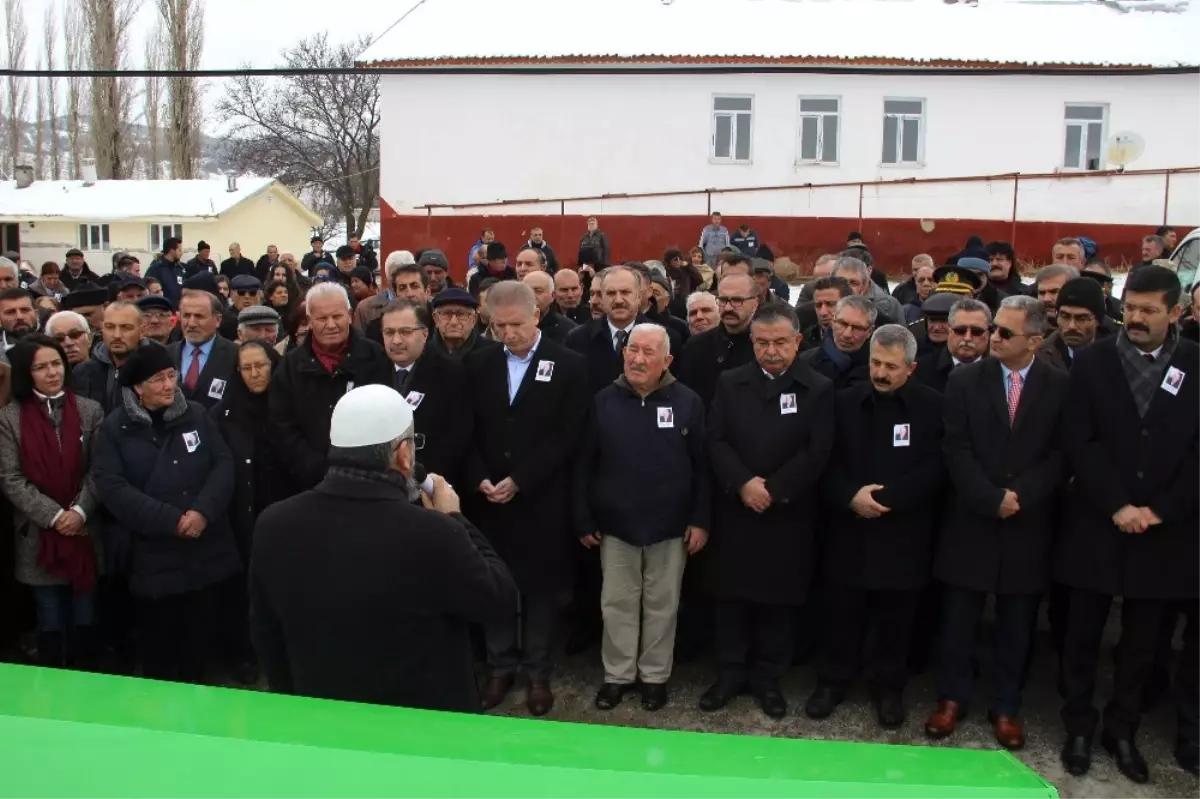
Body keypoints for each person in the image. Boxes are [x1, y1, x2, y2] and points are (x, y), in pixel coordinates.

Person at [251, 383, 516, 710]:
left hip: (322, 716)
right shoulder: (434, 533)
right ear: (404, 454)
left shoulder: (274, 524)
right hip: (423, 726)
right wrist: (455, 517)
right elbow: (500, 599)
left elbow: (267, 634)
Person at [1056, 265, 1200, 783]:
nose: (1135, 318)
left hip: (1164, 532)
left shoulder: (1196, 365)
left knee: (1143, 643)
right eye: (1131, 308)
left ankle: (1123, 729)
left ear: (1175, 312)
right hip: (1098, 523)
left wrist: (1159, 509)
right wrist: (1116, 503)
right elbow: (1081, 439)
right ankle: (1077, 724)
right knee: (1081, 636)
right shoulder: (1093, 363)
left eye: (1148, 310)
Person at [925, 296, 1068, 751]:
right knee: (958, 619)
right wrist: (990, 498)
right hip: (972, 518)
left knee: (1016, 622)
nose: (993, 339)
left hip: (1027, 523)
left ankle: (1005, 705)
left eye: (1005, 333)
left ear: (1035, 340)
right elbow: (955, 448)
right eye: (994, 330)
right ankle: (951, 698)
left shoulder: (1059, 386)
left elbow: (1061, 454)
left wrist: (1021, 496)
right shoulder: (965, 382)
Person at [699, 303, 833, 719]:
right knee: (731, 598)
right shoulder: (730, 381)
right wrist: (743, 484)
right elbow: (715, 440)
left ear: (797, 341)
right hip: (737, 509)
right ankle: (730, 673)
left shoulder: (818, 387)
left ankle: (768, 678)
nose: (771, 351)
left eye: (779, 342)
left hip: (786, 513)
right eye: (762, 343)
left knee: (779, 601)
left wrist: (773, 490)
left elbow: (817, 452)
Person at [806, 325, 944, 729]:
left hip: (904, 531)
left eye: (891, 366)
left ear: (911, 367)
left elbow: (937, 466)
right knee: (841, 613)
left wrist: (889, 500)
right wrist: (850, 496)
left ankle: (888, 688)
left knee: (896, 619)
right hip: (849, 526)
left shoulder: (933, 407)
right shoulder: (843, 402)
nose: (881, 373)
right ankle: (833, 680)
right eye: (876, 363)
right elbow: (823, 459)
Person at [465, 282, 589, 716]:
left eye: (516, 324)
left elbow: (567, 434)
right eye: (499, 326)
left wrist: (520, 479)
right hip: (489, 500)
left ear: (537, 315)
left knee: (540, 590)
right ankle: (500, 667)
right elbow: (469, 427)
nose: (509, 334)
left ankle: (537, 672)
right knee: (495, 585)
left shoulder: (569, 364)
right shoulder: (477, 361)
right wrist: (480, 475)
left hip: (541, 497)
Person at [577, 323, 708, 712]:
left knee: (662, 604)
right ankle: (617, 675)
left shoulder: (688, 402)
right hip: (615, 527)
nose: (637, 358)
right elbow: (584, 464)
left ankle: (654, 677)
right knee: (616, 602)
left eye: (648, 352)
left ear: (667, 360)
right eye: (633, 349)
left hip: (670, 526)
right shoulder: (603, 401)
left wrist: (700, 519)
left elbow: (703, 468)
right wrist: (583, 518)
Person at [92, 341, 239, 683]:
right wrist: (171, 521)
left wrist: (202, 511)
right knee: (160, 642)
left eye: (171, 375)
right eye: (157, 379)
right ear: (137, 388)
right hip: (153, 553)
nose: (168, 385)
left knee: (200, 636)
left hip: (204, 545)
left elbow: (222, 463)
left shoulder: (197, 414)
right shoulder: (116, 429)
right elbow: (113, 486)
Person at [0, 335, 105, 667]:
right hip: (38, 534)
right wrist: (56, 516)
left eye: (56, 364)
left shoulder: (90, 411)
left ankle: (86, 676)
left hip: (84, 531)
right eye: (41, 367)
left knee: (85, 613)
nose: (52, 373)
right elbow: (11, 478)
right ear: (26, 373)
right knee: (49, 616)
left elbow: (101, 470)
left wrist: (79, 511)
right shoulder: (9, 418)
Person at [210, 339, 288, 685]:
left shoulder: (290, 405)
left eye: (262, 365)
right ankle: (245, 656)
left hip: (285, 510)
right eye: (247, 368)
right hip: (243, 514)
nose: (255, 374)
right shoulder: (224, 413)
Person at [269, 283, 393, 494]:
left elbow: (386, 415)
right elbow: (282, 425)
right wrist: (313, 467)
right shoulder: (290, 366)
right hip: (307, 483)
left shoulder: (375, 357)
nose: (331, 325)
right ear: (309, 321)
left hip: (367, 479)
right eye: (322, 318)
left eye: (337, 316)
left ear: (350, 315)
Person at [379, 301, 472, 489]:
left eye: (405, 332)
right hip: (380, 485)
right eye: (389, 332)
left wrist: (421, 480)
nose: (396, 340)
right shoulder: (369, 372)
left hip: (430, 485)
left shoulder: (452, 373)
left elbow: (458, 436)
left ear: (424, 333)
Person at [565, 265, 664, 396]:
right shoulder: (577, 339)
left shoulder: (662, 338)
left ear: (639, 296)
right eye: (611, 293)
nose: (618, 300)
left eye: (625, 292)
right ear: (603, 298)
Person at [677, 273, 760, 410]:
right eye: (723, 300)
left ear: (755, 303)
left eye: (737, 300)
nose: (728, 308)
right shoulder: (696, 346)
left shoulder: (765, 345)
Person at [168, 291, 239, 411]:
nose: (191, 324)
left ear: (217, 320)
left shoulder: (235, 355)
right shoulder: (166, 354)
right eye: (186, 316)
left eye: (199, 316)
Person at [70, 301, 143, 414]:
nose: (117, 335)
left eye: (126, 327)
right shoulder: (82, 372)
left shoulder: (156, 371)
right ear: (102, 328)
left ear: (141, 331)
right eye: (110, 327)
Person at [800, 295, 874, 390]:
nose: (847, 334)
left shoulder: (878, 371)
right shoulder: (804, 363)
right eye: (842, 324)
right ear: (833, 321)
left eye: (857, 328)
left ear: (870, 331)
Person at [1037, 278, 1109, 372]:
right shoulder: (1038, 356)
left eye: (1081, 319)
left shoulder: (1117, 357)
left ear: (1097, 320)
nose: (1072, 326)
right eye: (1065, 316)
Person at [427, 287, 498, 360]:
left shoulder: (493, 354)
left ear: (473, 320)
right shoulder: (421, 354)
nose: (453, 322)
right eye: (447, 314)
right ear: (436, 319)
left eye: (461, 314)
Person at [835, 256, 904, 325]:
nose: (847, 287)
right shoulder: (827, 304)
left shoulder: (889, 306)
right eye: (842, 282)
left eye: (854, 283)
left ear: (864, 285)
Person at [523, 271, 577, 345]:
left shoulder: (569, 331)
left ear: (553, 295)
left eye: (538, 291)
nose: (531, 296)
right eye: (526, 291)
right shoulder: (508, 325)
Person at [145, 237, 187, 308]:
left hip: (179, 311)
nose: (181, 253)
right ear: (171, 251)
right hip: (163, 310)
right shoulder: (155, 269)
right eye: (179, 250)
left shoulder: (180, 268)